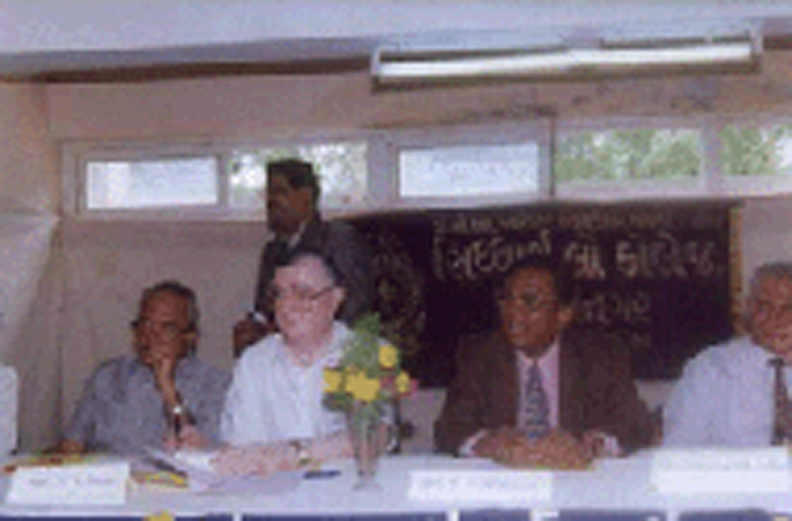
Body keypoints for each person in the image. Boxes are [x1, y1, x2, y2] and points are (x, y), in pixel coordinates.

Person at [434, 258, 654, 468]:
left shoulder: (600, 355)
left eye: (529, 302)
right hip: (504, 483)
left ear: (563, 314)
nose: (513, 312)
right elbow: (449, 428)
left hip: (576, 481)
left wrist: (593, 445)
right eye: (506, 299)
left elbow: (637, 424)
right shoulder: (480, 354)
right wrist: (488, 443)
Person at [215, 251, 387, 476]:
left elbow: (374, 436)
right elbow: (241, 449)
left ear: (335, 299)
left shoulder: (368, 353)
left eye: (303, 294)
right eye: (280, 294)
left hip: (348, 492)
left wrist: (295, 455)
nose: (288, 305)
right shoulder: (254, 363)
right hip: (271, 493)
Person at [54, 280, 230, 456]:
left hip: (170, 474)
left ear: (190, 336)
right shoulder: (108, 376)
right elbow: (72, 444)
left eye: (167, 327)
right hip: (110, 471)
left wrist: (169, 390)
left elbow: (201, 453)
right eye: (145, 324)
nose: (151, 335)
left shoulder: (215, 385)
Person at [232, 158, 375, 358]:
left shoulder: (338, 239)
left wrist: (302, 326)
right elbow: (263, 308)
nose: (271, 201)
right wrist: (256, 326)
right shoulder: (272, 250)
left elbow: (357, 307)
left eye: (280, 192)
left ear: (306, 196)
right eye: (268, 194)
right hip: (282, 343)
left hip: (328, 346)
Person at [663, 261, 792, 447]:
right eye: (764, 307)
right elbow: (679, 450)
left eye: (788, 308)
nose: (776, 319)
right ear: (748, 309)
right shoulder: (709, 370)